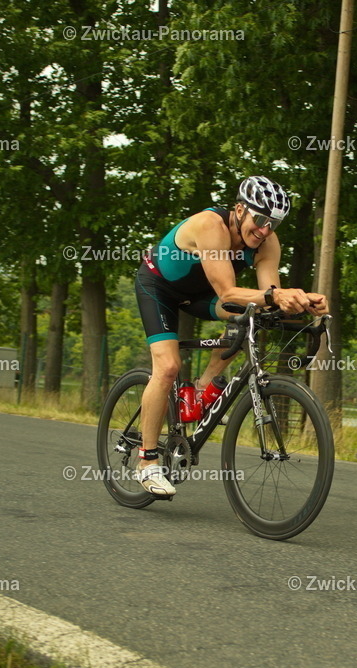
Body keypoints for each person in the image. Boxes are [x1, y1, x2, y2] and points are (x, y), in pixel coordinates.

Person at [134, 176, 328, 496]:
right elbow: (227, 293)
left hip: (201, 294)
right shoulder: (210, 226)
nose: (265, 229)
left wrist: (304, 303)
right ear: (239, 210)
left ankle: (200, 389)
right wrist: (275, 297)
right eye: (261, 219)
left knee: (251, 320)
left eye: (274, 222)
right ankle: (147, 462)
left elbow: (269, 295)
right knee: (168, 367)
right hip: (159, 288)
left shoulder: (268, 242)